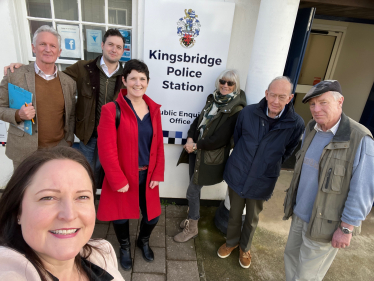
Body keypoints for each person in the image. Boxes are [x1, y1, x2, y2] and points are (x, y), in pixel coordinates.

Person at [283, 80, 374, 281]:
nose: (316, 109)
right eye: (312, 104)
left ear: (340, 101)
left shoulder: (360, 138)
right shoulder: (312, 128)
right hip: (299, 214)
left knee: (307, 276)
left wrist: (346, 228)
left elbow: (363, 191)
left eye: (323, 102)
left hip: (326, 223)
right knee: (291, 259)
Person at [4, 28, 125, 177]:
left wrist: (67, 140)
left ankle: (97, 199)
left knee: (106, 175)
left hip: (110, 137)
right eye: (110, 44)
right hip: (87, 137)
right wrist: (23, 68)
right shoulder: (83, 68)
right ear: (102, 45)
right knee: (84, 173)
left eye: (118, 47)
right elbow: (51, 74)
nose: (114, 49)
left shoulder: (126, 76)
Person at [217, 76, 304, 269]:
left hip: (263, 178)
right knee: (234, 213)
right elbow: (238, 138)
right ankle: (231, 242)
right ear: (266, 93)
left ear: (289, 98)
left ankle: (245, 248)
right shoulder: (248, 113)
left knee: (252, 218)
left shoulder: (296, 123)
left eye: (282, 97)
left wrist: (268, 163)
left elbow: (288, 150)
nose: (275, 101)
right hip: (238, 172)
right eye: (272, 95)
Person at [0, 147, 125, 281]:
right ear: (18, 211)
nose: (69, 215)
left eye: (82, 197)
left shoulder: (103, 253)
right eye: (48, 197)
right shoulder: (10, 272)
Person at [96, 59, 165, 270]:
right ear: (124, 80)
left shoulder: (153, 109)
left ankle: (142, 241)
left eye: (142, 79)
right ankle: (124, 247)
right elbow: (106, 149)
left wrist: (157, 174)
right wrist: (117, 179)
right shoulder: (111, 109)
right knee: (120, 216)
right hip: (123, 176)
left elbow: (159, 144)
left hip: (147, 175)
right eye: (133, 78)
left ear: (148, 82)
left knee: (153, 216)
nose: (138, 83)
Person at [173, 69, 247, 243]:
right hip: (195, 151)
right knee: (194, 189)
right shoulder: (213, 99)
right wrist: (191, 138)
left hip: (208, 156)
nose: (225, 85)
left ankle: (192, 228)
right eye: (223, 81)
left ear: (236, 86)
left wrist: (196, 145)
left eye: (230, 83)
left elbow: (219, 139)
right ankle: (193, 217)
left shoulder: (236, 109)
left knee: (192, 191)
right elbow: (198, 121)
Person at [0, 25, 76, 169]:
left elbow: (70, 115)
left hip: (57, 152)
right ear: (33, 48)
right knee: (25, 191)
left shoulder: (69, 83)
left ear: (59, 52)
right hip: (24, 152)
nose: (48, 49)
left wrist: (68, 141)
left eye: (52, 45)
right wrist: (18, 114)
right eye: (42, 44)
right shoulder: (15, 75)